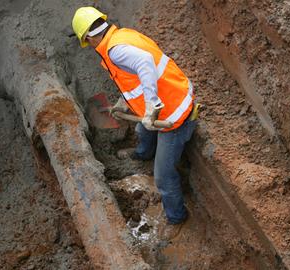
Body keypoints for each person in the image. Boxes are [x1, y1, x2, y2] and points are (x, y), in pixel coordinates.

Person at [72, 7, 197, 240]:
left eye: (86, 42)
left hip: (175, 116)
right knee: (142, 128)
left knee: (163, 175)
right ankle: (142, 154)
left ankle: (176, 217)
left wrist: (151, 106)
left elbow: (145, 63)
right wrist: (123, 102)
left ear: (89, 38)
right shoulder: (121, 36)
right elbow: (135, 81)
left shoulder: (115, 51)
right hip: (172, 97)